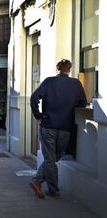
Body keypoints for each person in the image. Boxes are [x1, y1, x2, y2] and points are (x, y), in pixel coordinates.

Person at [29, 59, 87, 199]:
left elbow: (34, 98)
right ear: (70, 69)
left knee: (51, 158)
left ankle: (38, 182)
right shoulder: (76, 84)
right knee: (53, 158)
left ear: (58, 69)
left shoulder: (49, 81)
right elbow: (83, 103)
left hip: (48, 125)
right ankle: (52, 190)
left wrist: (38, 115)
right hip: (65, 126)